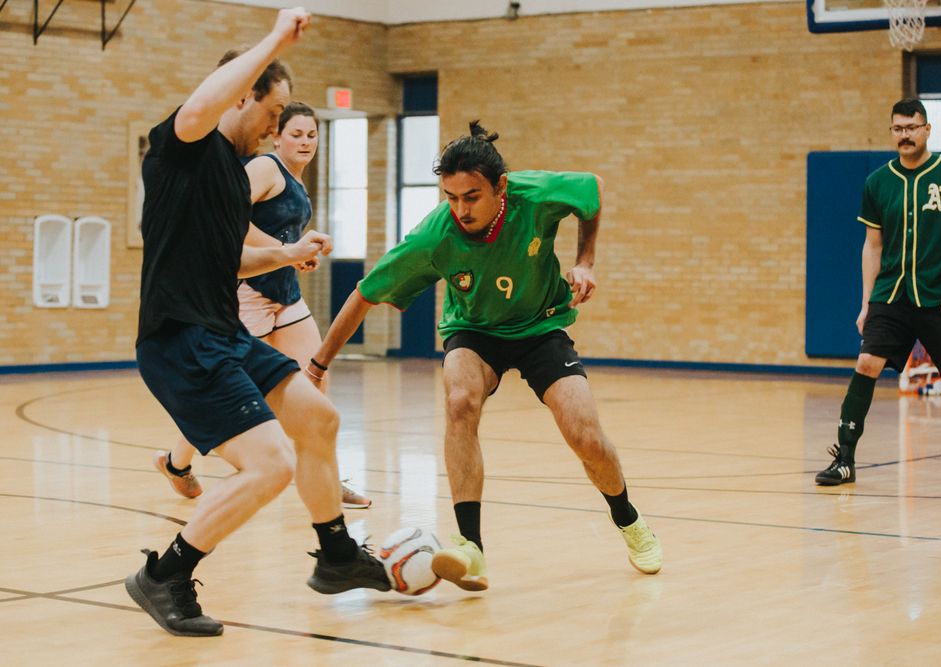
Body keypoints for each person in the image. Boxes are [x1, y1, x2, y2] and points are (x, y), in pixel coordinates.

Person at [308, 121, 663, 591]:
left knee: (586, 436)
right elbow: (364, 294)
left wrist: (586, 261)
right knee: (460, 403)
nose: (460, 209)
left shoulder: (533, 194)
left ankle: (629, 519)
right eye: (450, 197)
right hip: (473, 330)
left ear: (500, 187)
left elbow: (592, 190)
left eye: (471, 197)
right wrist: (317, 365)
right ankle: (470, 547)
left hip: (540, 326)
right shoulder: (434, 236)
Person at [126, 9, 389, 638]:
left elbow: (230, 258)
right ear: (241, 95)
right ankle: (166, 574)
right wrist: (273, 40)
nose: (277, 129)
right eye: (273, 116)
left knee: (318, 420)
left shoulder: (224, 178)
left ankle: (335, 556)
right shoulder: (185, 148)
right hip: (179, 338)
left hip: (223, 333)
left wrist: (283, 254)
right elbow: (200, 105)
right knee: (270, 462)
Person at [152, 101, 371, 510]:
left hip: (285, 295)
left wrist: (299, 251)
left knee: (316, 375)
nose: (305, 141)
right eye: (296, 134)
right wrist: (288, 250)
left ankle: (328, 475)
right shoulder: (264, 169)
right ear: (277, 136)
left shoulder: (298, 180)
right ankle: (175, 462)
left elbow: (282, 234)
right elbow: (229, 219)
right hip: (247, 293)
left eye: (312, 135)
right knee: (231, 388)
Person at [816, 98, 941, 487]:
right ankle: (845, 458)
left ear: (926, 129)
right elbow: (873, 246)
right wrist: (868, 301)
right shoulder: (877, 182)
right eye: (898, 129)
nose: (905, 135)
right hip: (892, 295)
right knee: (866, 364)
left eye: (911, 127)